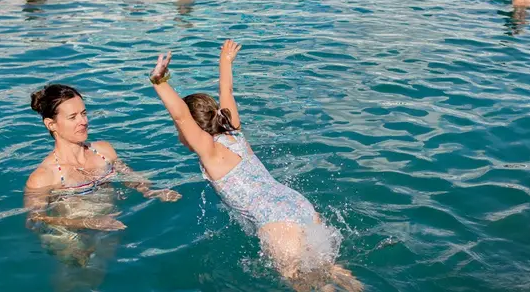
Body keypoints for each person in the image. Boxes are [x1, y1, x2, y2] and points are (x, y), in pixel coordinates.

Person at [148, 41, 362, 290]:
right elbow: (226, 89)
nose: (179, 134)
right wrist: (225, 60)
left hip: (276, 222)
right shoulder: (233, 131)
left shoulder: (210, 152)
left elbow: (180, 115)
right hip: (297, 203)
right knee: (330, 270)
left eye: (180, 131)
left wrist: (160, 83)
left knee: (304, 283)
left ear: (195, 130)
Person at [24, 84, 180, 236]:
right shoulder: (43, 177)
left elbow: (129, 176)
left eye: (84, 113)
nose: (83, 121)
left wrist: (150, 191)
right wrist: (86, 223)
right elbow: (35, 220)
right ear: (51, 124)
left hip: (111, 224)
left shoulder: (104, 151)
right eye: (73, 117)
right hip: (71, 237)